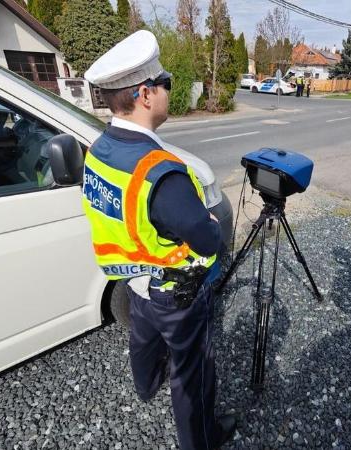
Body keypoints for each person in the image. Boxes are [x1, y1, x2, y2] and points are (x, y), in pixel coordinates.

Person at [82, 30, 236, 450]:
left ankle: (147, 386)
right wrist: (203, 220)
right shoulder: (162, 170)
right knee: (192, 373)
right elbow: (206, 241)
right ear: (146, 95)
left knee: (143, 339)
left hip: (132, 279)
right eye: (165, 83)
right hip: (173, 291)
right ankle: (201, 440)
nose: (169, 90)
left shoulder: (99, 148)